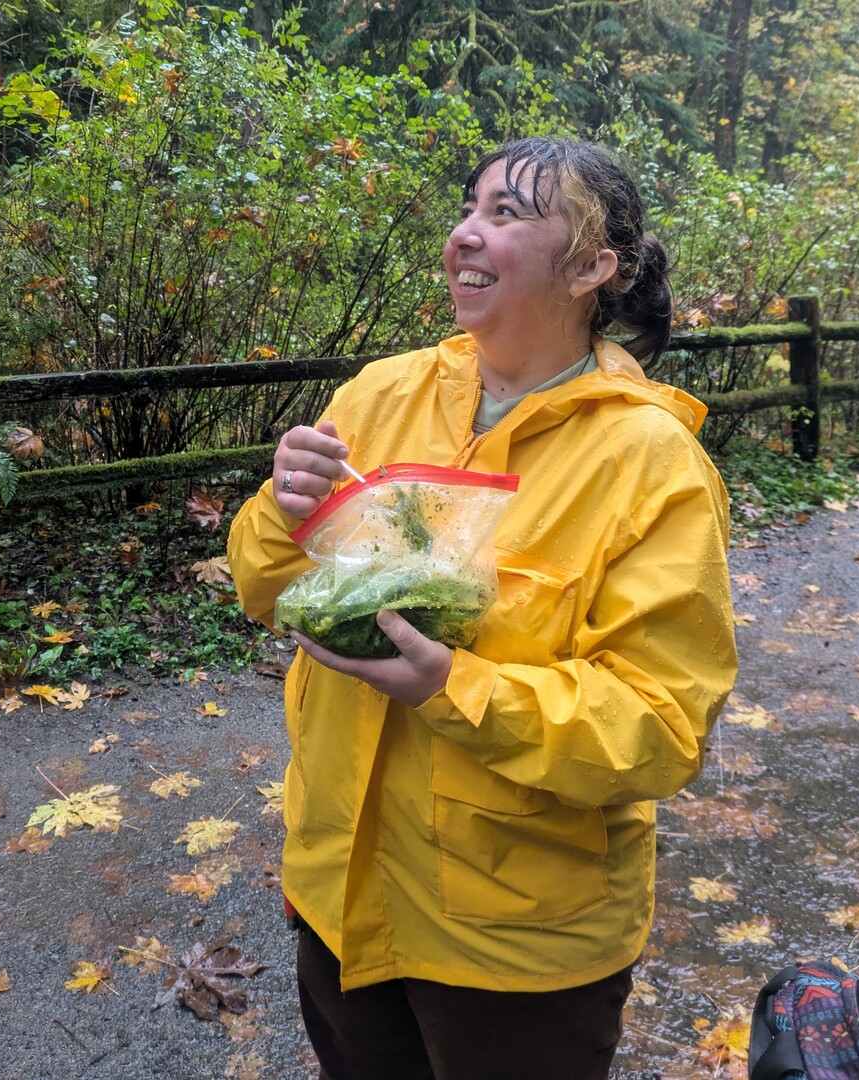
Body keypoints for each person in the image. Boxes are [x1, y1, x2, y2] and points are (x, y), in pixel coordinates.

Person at [226, 137, 738, 1079]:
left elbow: (660, 727)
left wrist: (452, 687)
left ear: (591, 268)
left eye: (507, 214)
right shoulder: (381, 394)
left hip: (520, 950)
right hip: (339, 896)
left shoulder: (650, 462)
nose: (466, 232)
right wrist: (279, 511)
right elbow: (269, 593)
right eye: (470, 207)